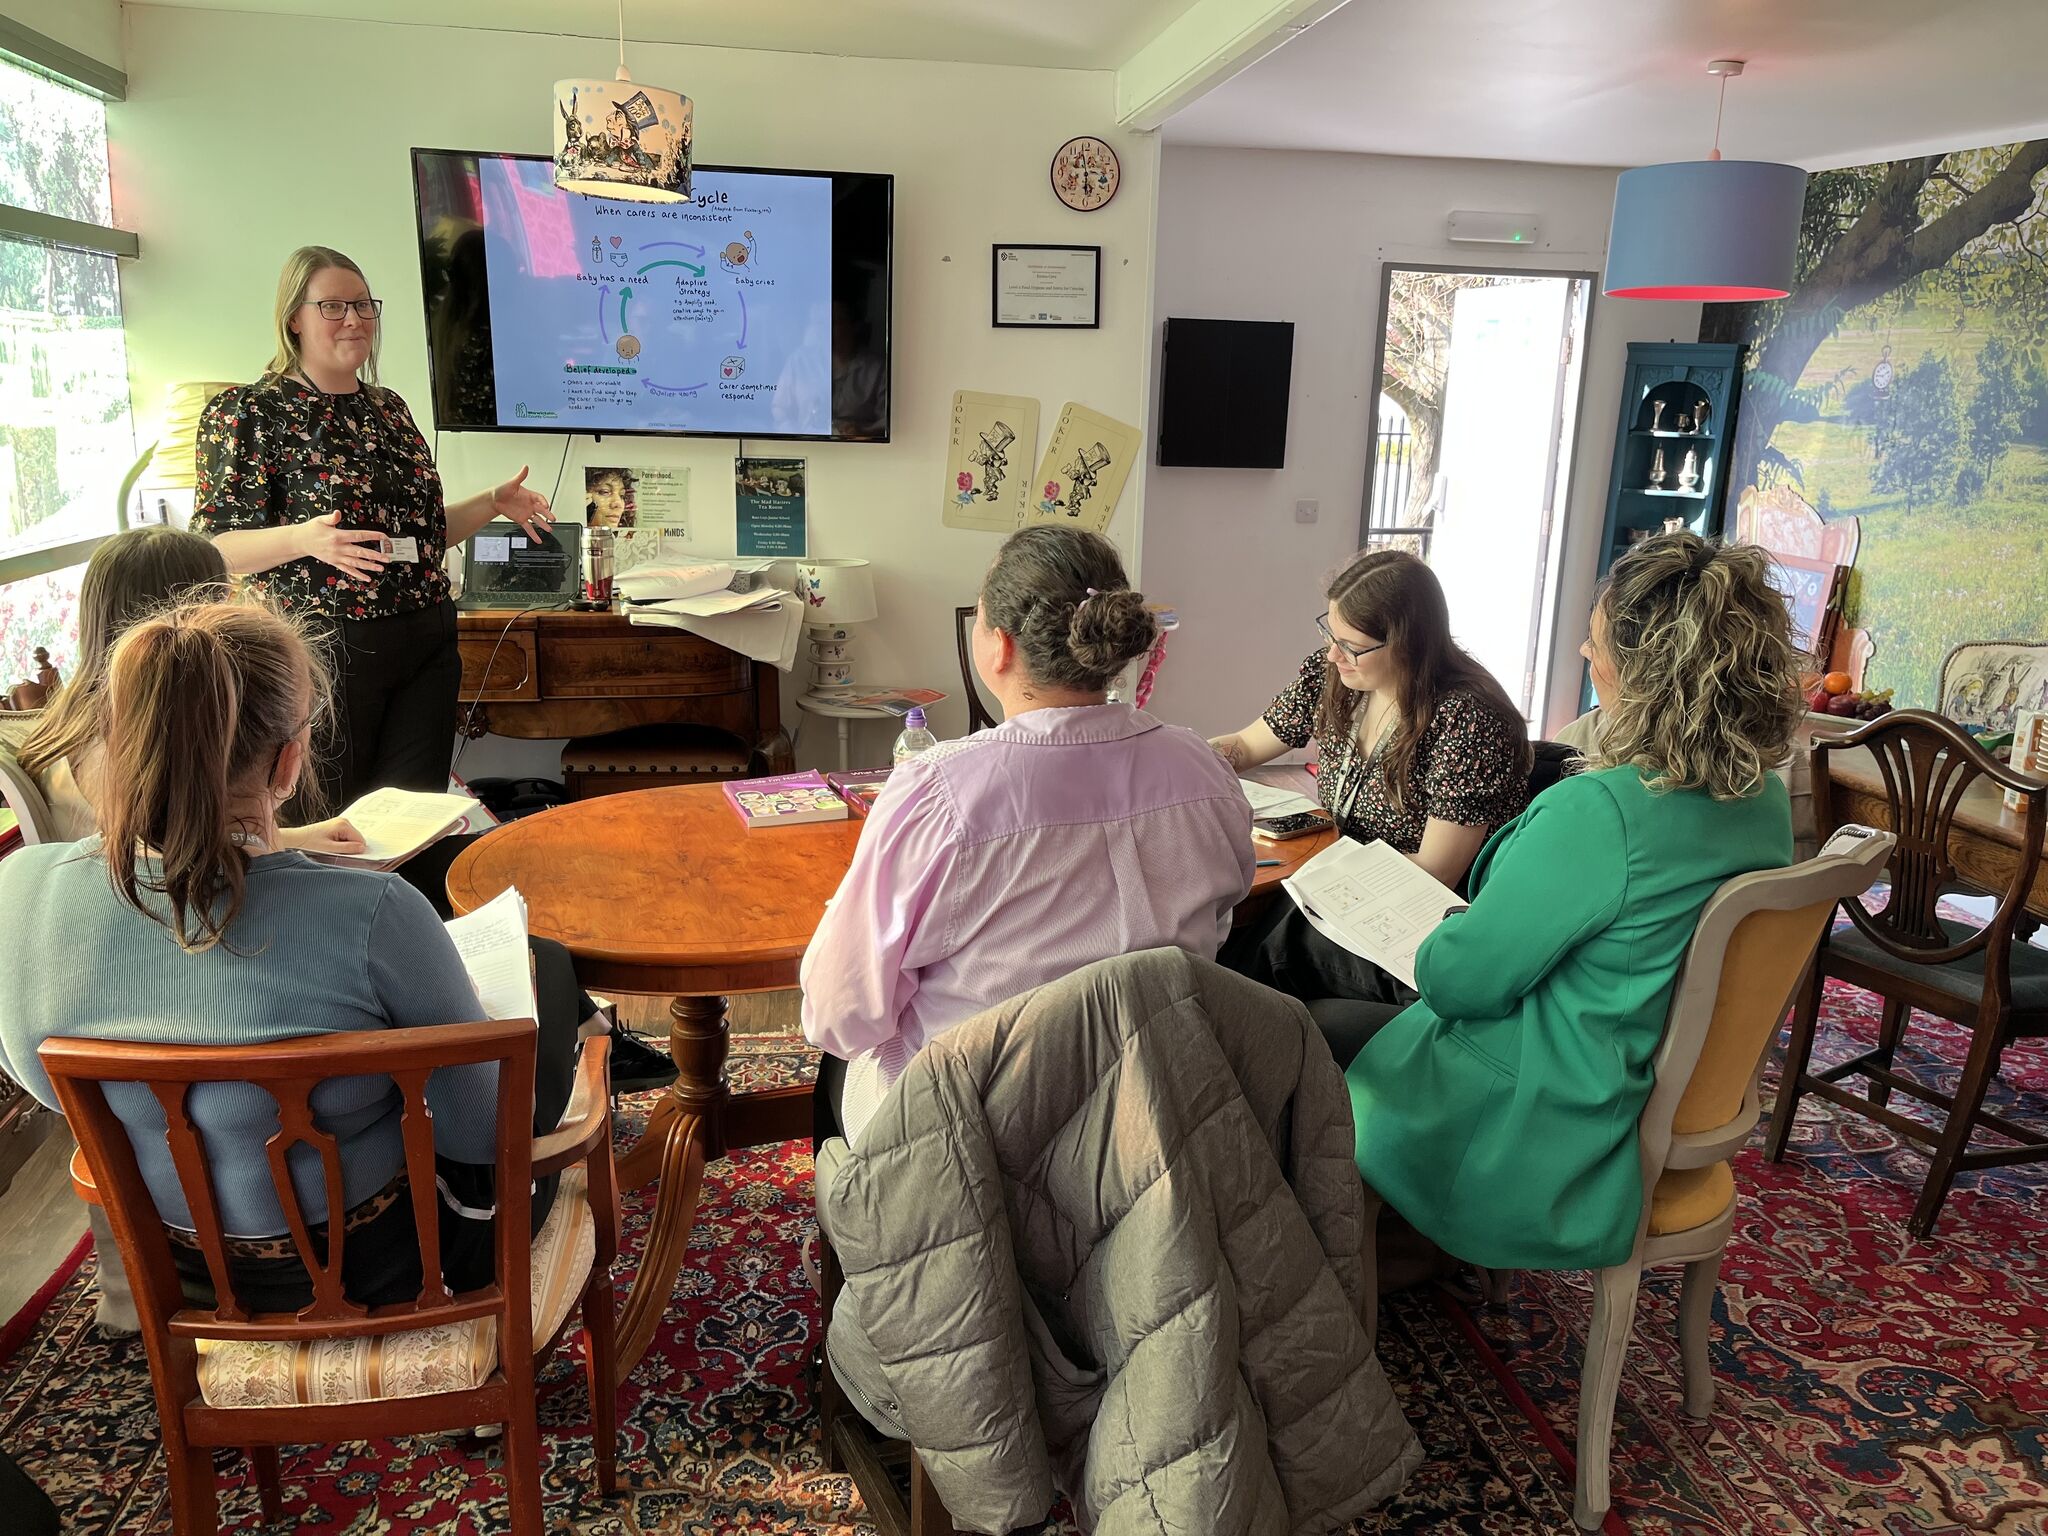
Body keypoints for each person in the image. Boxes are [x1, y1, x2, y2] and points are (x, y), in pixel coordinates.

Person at [0, 600, 582, 1309]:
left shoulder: (23, 890)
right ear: (288, 760)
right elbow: (480, 1135)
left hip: (188, 1273)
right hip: (389, 1265)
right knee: (543, 978)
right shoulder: (374, 913)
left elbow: (37, 1076)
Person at [1336, 533, 1801, 1271]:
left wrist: (1456, 928)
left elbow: (1460, 982)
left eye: (1595, 645)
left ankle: (1357, 1261)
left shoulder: (1600, 813)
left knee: (1300, 1031)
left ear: (1648, 672)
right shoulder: (1763, 800)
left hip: (1544, 1122)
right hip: (1637, 1081)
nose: (1586, 658)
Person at [801, 526, 1255, 1147]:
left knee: (838, 1062)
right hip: (1156, 1112)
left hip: (979, 1140)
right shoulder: (1203, 767)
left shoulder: (940, 792)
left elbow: (841, 1016)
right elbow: (1221, 919)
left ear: (1000, 647)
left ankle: (863, 1233)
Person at [192, 245, 558, 810]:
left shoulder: (389, 408)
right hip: (327, 647)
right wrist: (303, 539)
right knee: (330, 817)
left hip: (426, 640)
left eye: (364, 306)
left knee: (412, 815)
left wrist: (491, 502)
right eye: (333, 307)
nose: (355, 320)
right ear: (294, 316)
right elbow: (216, 548)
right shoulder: (249, 412)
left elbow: (423, 536)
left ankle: (407, 903)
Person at [1216, 547, 1531, 1005]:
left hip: (1417, 924)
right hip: (1343, 890)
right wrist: (1174, 758)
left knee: (1260, 956)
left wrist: (1325, 879)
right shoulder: (1335, 678)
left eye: (1351, 646)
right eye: (1330, 633)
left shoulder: (1469, 718)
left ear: (1406, 643)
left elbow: (1437, 870)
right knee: (1240, 930)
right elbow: (1246, 746)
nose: (1332, 655)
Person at [13, 528, 364, 856]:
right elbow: (182, 858)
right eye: (226, 600)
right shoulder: (144, 745)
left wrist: (298, 837)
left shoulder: (66, 729)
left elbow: (160, 840)